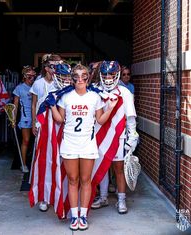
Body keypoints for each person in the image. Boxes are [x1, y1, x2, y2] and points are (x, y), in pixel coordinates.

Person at [48, 64, 118, 231]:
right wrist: (51, 106)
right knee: (73, 180)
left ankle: (83, 215)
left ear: (88, 78)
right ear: (72, 79)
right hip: (70, 143)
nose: (80, 79)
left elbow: (101, 120)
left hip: (87, 143)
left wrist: (111, 108)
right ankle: (74, 215)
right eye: (76, 77)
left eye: (84, 76)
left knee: (86, 181)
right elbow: (59, 120)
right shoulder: (66, 97)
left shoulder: (95, 97)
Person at [91, 61, 139, 214]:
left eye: (111, 74)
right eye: (104, 74)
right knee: (102, 167)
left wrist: (132, 136)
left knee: (119, 169)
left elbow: (130, 117)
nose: (107, 77)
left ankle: (121, 199)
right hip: (99, 134)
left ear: (116, 74)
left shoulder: (124, 92)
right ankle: (103, 197)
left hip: (118, 136)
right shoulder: (95, 90)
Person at [30, 54, 71, 212]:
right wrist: (36, 123)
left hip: (68, 135)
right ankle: (45, 197)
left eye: (67, 76)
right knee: (46, 163)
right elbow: (37, 106)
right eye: (55, 68)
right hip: (49, 133)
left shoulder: (75, 92)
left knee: (66, 165)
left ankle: (65, 195)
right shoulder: (47, 90)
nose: (63, 78)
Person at [13, 65, 36, 173]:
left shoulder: (36, 86)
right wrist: (13, 118)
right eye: (30, 76)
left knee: (37, 141)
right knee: (26, 140)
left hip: (36, 117)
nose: (32, 78)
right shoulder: (19, 88)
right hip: (26, 117)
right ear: (25, 76)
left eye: (33, 76)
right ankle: (23, 164)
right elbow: (15, 105)